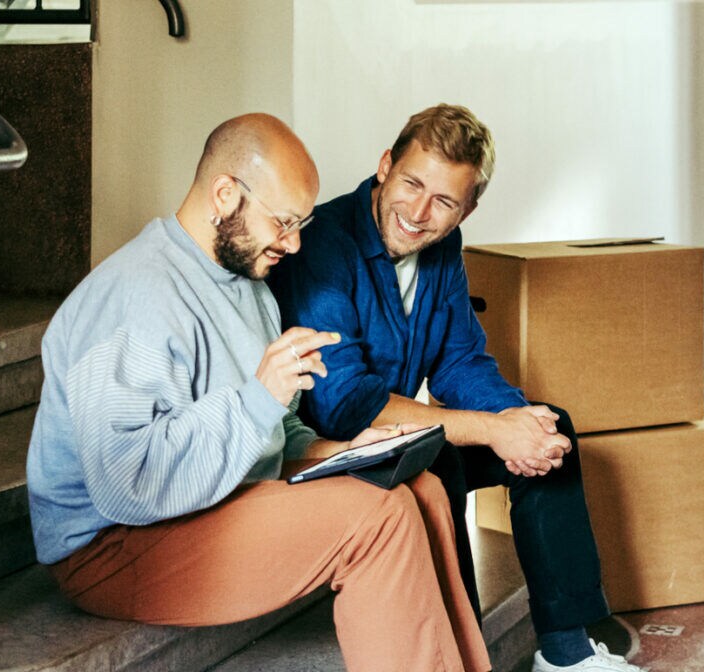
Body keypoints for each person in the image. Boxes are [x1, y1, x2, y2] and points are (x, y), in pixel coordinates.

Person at [26, 113, 491, 672]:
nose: (294, 245)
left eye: (302, 224)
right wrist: (257, 399)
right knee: (377, 520)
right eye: (284, 222)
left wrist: (350, 452)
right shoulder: (134, 295)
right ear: (226, 195)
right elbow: (124, 485)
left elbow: (275, 432)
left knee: (420, 489)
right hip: (111, 545)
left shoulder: (250, 289)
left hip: (205, 502)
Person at [268, 104, 642, 672]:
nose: (420, 214)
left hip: (396, 432)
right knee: (435, 461)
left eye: (444, 201)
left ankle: (565, 652)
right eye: (413, 184)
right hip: (331, 452)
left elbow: (459, 362)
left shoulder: (443, 249)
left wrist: (521, 423)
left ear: (468, 206)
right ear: (385, 165)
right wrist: (494, 430)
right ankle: (462, 655)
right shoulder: (324, 244)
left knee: (551, 425)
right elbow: (345, 404)